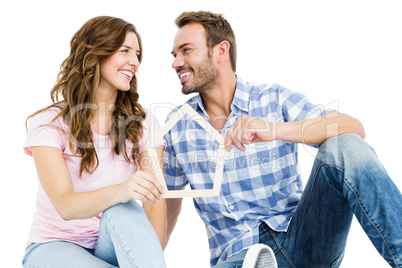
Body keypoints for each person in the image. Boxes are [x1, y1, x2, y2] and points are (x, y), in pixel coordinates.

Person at [164, 11, 402, 268]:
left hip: (304, 238)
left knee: (343, 145)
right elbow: (167, 206)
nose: (176, 62)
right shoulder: (177, 125)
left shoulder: (272, 98)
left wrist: (275, 129)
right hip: (238, 257)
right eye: (174, 55)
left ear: (221, 51)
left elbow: (353, 128)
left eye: (186, 50)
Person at [22, 16, 167, 267]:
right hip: (55, 245)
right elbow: (65, 205)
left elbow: (155, 201)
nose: (134, 62)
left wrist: (146, 259)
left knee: (124, 209)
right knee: (122, 200)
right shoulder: (49, 124)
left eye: (137, 54)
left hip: (111, 242)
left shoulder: (144, 123)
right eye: (124, 51)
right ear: (96, 53)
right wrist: (121, 191)